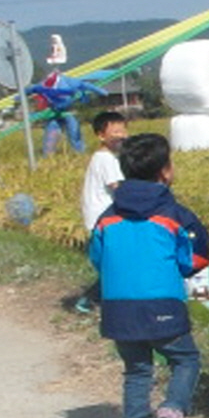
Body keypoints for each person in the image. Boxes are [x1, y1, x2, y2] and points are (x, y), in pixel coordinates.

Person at [89, 133, 209, 418]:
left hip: (117, 309)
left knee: (136, 368)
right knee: (185, 359)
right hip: (162, 304)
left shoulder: (107, 216)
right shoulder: (174, 215)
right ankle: (171, 412)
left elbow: (97, 257)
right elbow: (194, 258)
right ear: (166, 171)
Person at [74, 109, 130, 314]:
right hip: (104, 221)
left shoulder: (102, 157)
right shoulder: (107, 159)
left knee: (113, 264)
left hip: (99, 220)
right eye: (115, 132)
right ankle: (90, 300)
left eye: (123, 131)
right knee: (116, 265)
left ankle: (96, 300)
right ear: (101, 135)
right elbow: (119, 187)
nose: (121, 136)